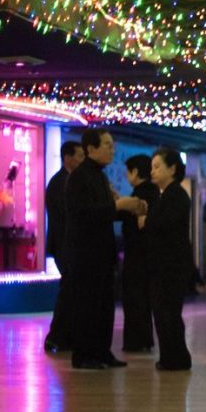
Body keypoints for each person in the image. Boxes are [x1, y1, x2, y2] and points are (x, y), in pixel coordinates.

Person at [65, 128, 148, 370]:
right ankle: (83, 355)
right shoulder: (80, 177)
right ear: (91, 149)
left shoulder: (99, 176)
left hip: (101, 251)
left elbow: (105, 213)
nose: (112, 150)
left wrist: (128, 208)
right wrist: (119, 205)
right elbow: (84, 214)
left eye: (112, 145)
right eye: (107, 145)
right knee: (87, 305)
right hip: (85, 252)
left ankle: (102, 352)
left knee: (104, 305)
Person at [142, 148, 193, 371]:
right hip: (164, 263)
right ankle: (171, 356)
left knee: (168, 312)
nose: (152, 172)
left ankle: (176, 358)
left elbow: (166, 225)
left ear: (172, 169)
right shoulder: (167, 194)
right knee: (165, 312)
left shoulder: (176, 195)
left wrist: (146, 221)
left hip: (170, 264)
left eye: (157, 166)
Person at [44, 140, 84, 354]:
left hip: (66, 245)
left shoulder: (67, 181)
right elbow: (66, 218)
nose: (81, 160)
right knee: (68, 290)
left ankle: (64, 336)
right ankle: (56, 336)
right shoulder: (61, 183)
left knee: (70, 290)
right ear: (67, 157)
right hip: (64, 245)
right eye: (79, 156)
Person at [120, 154, 160, 353]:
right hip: (152, 255)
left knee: (134, 297)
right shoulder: (156, 193)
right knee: (145, 298)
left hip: (136, 255)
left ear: (135, 172)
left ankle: (135, 341)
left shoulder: (138, 195)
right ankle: (145, 339)